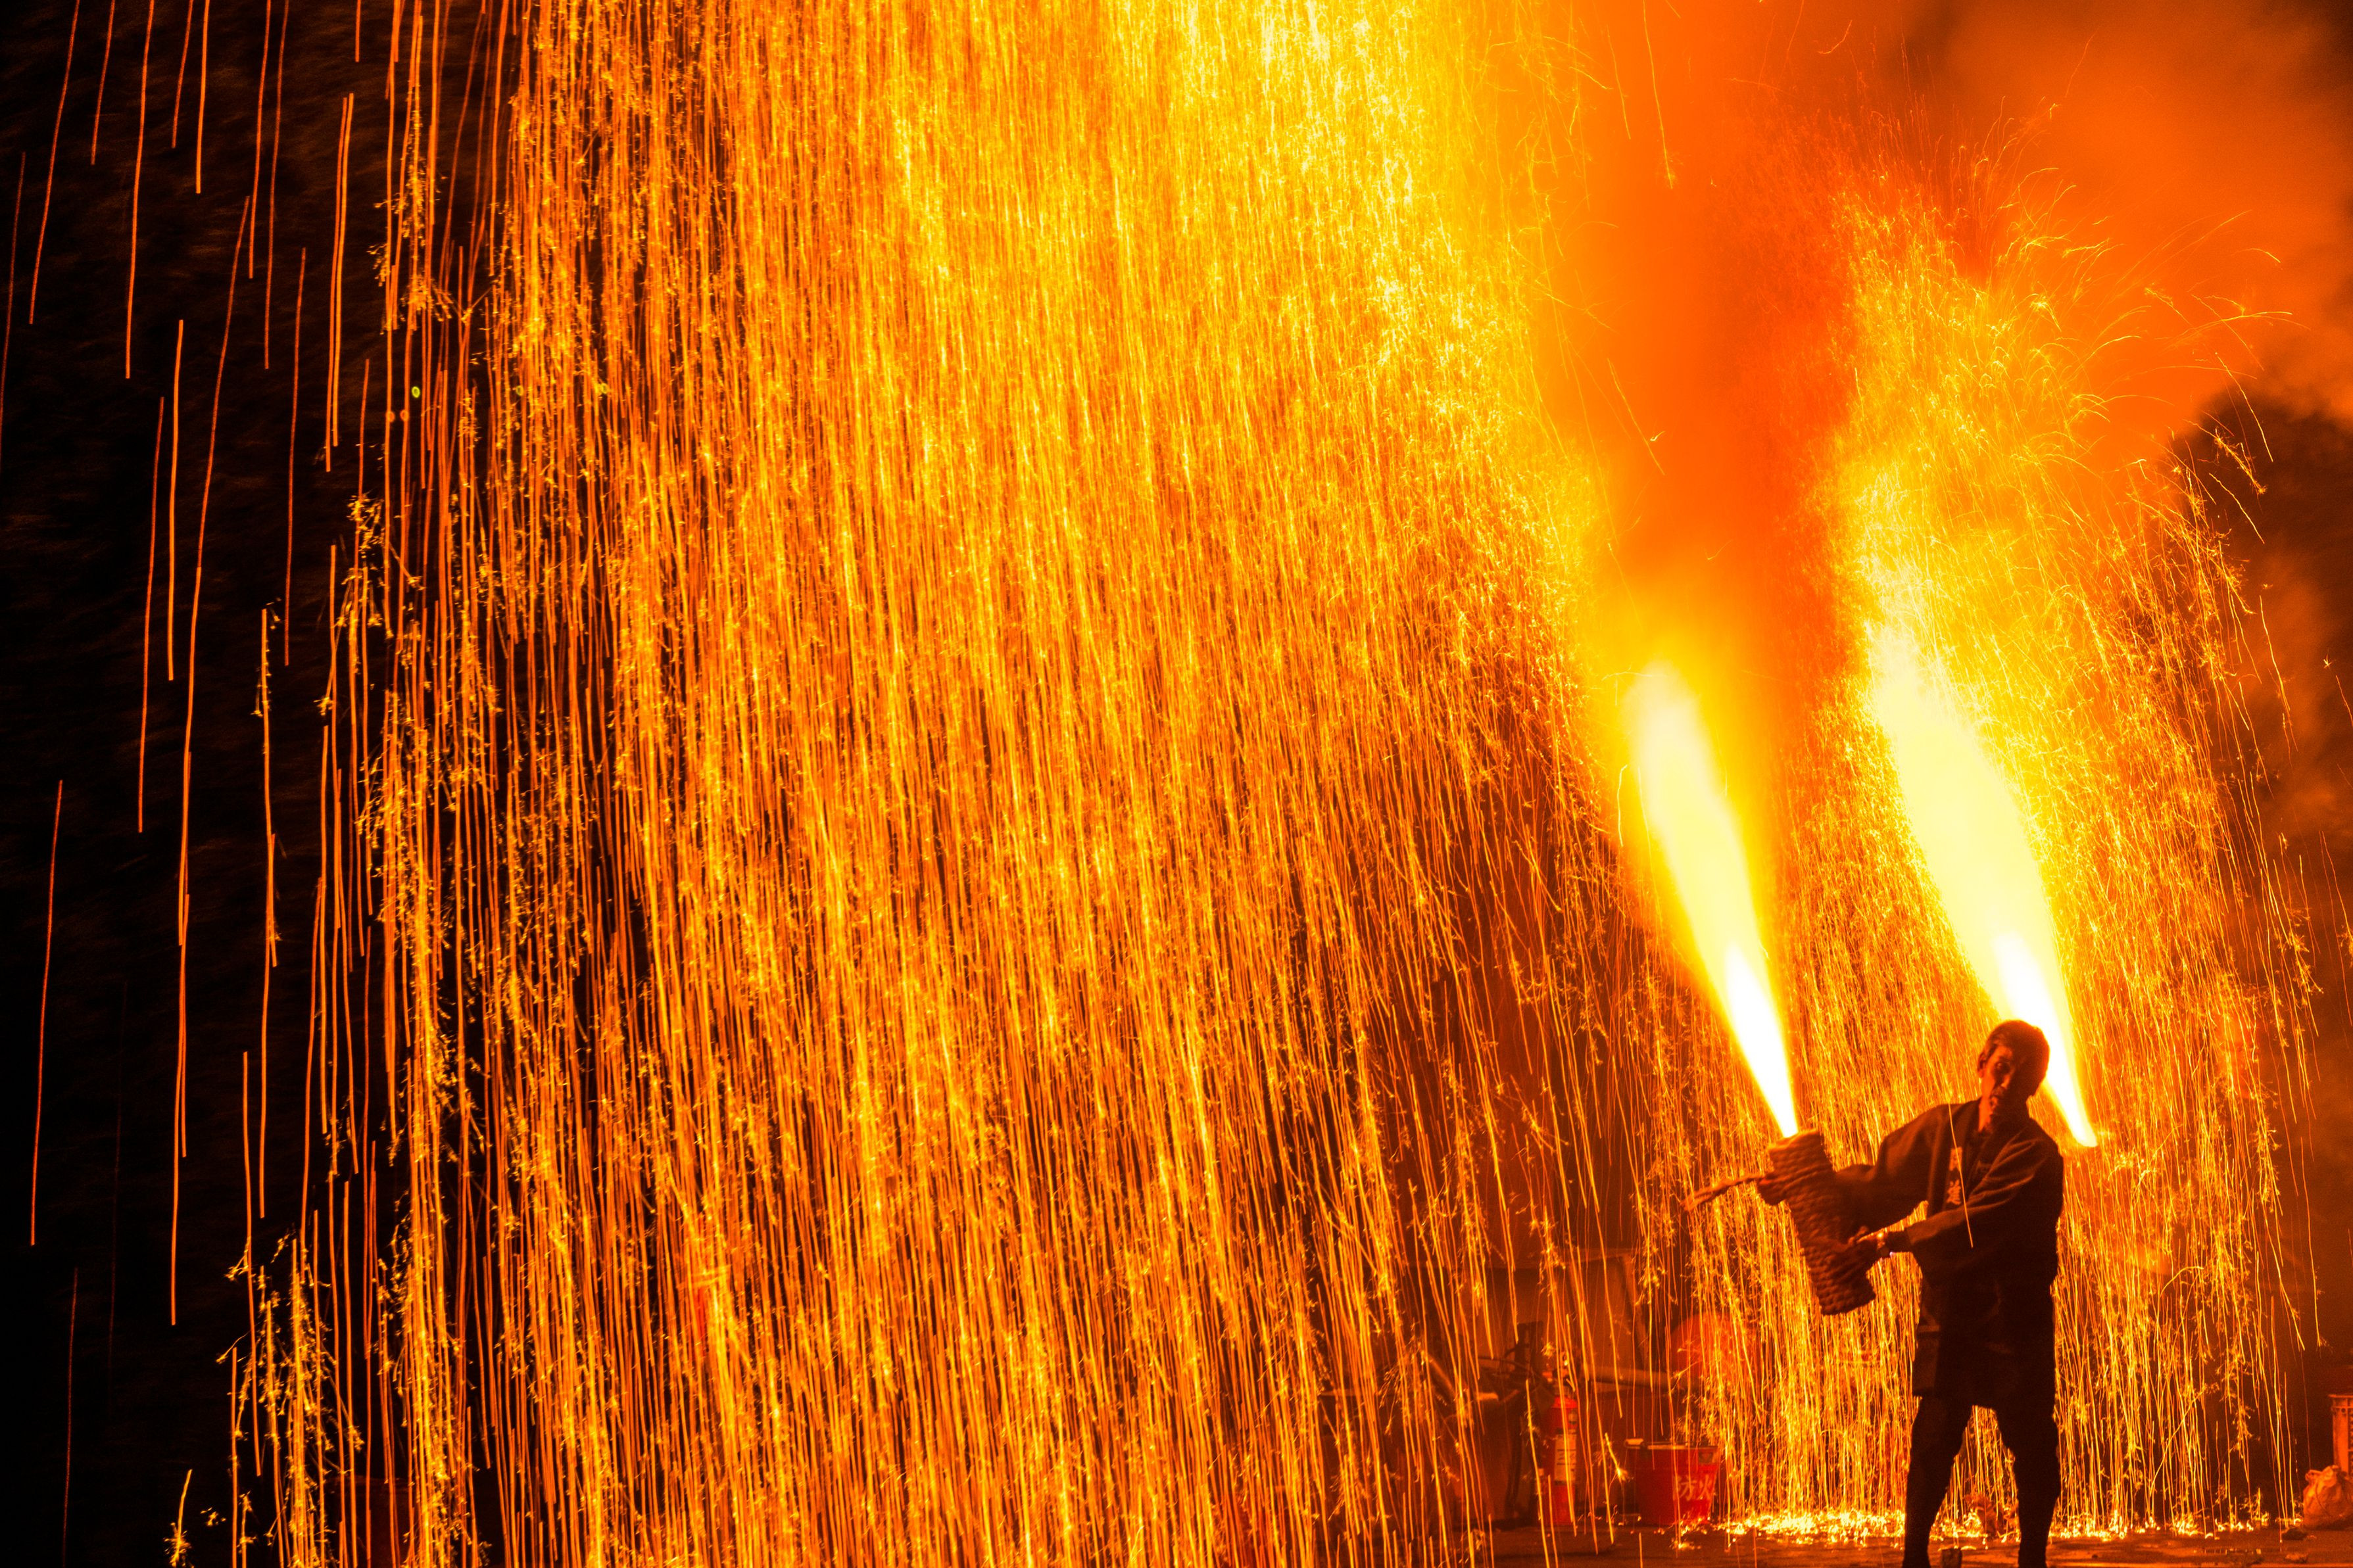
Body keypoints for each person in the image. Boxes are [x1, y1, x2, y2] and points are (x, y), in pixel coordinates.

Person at [1763, 1020, 2066, 1568]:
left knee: (2030, 1440)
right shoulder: (1943, 1128)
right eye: (2001, 1068)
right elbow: (1881, 1182)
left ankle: (2033, 1559)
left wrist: (1890, 1241)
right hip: (1953, 1307)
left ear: (2034, 1087)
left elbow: (1978, 1221)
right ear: (1981, 1064)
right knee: (1934, 1434)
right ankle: (1912, 1558)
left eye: (2021, 1077)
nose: (2005, 1084)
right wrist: (1803, 1185)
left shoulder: (2037, 1154)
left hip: (2013, 1314)